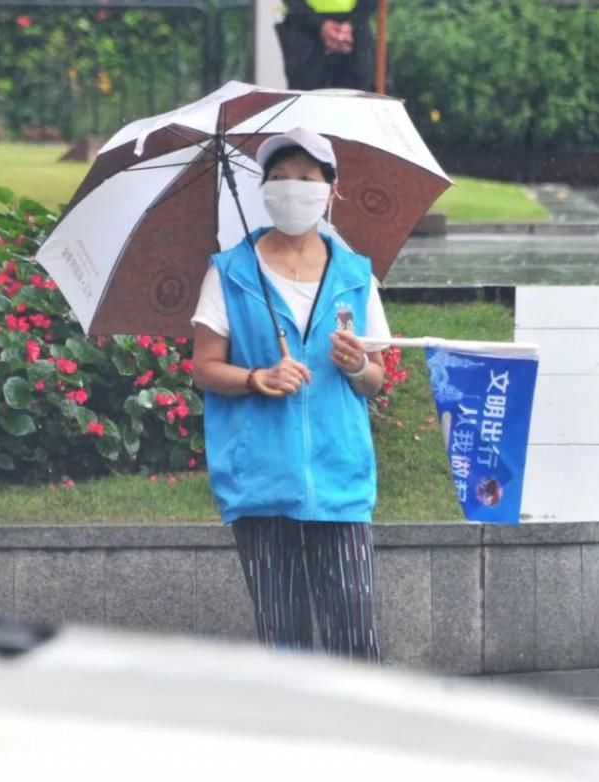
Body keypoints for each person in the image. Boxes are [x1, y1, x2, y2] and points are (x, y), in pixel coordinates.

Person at [190, 127, 390, 663]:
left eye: (306, 178)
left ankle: (362, 742)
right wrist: (258, 378)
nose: (292, 188)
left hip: (339, 475)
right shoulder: (231, 272)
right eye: (278, 178)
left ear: (331, 189)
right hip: (261, 476)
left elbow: (377, 379)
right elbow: (204, 367)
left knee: (356, 629)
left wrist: (356, 368)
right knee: (284, 637)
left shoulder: (355, 275)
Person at [275, 0, 378, 92]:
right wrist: (320, 25)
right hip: (304, 30)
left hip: (354, 31)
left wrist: (353, 22)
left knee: (356, 101)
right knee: (307, 101)